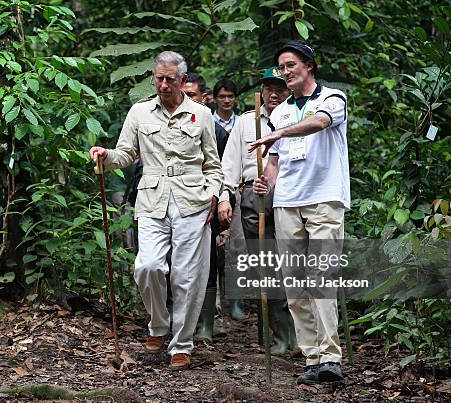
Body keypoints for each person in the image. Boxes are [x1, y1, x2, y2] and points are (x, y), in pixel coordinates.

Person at [89, 51, 223, 370]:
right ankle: (159, 324)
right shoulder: (139, 112)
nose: (163, 85)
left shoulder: (201, 114)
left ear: (183, 81)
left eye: (170, 79)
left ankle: (182, 344)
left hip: (193, 199)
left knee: (187, 276)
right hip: (151, 198)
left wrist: (215, 194)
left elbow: (213, 165)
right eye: (159, 78)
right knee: (147, 266)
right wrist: (105, 155)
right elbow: (124, 154)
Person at [249, 40, 349, 384]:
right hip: (288, 202)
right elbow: (276, 161)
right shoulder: (280, 112)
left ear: (309, 65)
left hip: (324, 198)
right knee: (295, 285)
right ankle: (312, 357)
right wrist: (266, 182)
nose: (285, 72)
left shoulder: (332, 99)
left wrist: (277, 134)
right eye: (281, 67)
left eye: (290, 65)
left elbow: (319, 124)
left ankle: (331, 357)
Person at [218, 66, 296, 353]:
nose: (274, 93)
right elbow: (229, 166)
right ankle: (276, 336)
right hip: (254, 195)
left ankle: (297, 335)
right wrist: (226, 197)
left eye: (279, 88)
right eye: (268, 88)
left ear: (288, 89)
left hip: (292, 195)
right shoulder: (246, 122)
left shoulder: (297, 117)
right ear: (261, 91)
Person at [182, 72, 228, 342]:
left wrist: (222, 203)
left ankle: (207, 327)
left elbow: (223, 170)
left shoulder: (217, 129)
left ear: (204, 98)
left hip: (206, 202)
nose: (187, 100)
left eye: (192, 95)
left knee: (208, 264)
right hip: (176, 203)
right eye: (184, 95)